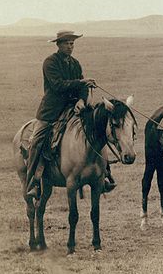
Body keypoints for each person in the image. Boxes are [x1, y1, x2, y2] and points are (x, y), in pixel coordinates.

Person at [25, 31, 116, 200]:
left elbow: (81, 87)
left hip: (74, 107)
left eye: (72, 43)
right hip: (51, 111)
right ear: (58, 45)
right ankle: (34, 182)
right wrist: (82, 82)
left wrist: (82, 99)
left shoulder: (75, 63)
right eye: (67, 43)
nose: (70, 46)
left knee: (97, 130)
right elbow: (58, 85)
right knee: (37, 141)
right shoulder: (50, 62)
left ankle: (104, 174)